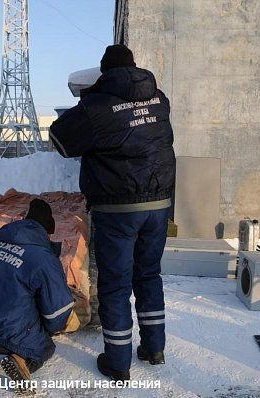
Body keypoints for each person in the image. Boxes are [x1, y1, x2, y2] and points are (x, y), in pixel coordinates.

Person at [49, 44, 175, 381]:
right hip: (159, 205)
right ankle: (154, 348)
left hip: (118, 208)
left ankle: (118, 363)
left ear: (105, 73)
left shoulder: (97, 106)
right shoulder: (159, 99)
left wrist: (88, 101)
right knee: (148, 276)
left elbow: (60, 140)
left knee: (116, 284)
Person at [0, 199, 76, 390]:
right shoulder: (44, 258)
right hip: (5, 331)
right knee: (44, 346)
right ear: (47, 231)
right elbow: (56, 314)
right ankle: (21, 361)